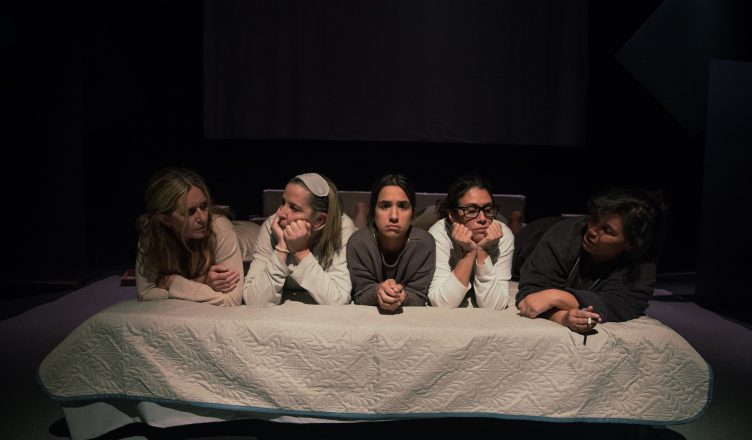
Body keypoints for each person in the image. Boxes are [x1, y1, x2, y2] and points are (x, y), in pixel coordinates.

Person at [515, 188, 666, 333]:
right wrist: (561, 316)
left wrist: (558, 297)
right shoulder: (563, 236)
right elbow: (532, 296)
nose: (592, 231)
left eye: (607, 230)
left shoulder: (642, 261)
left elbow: (625, 303)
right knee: (514, 239)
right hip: (533, 237)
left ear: (631, 243)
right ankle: (515, 223)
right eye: (594, 219)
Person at [243, 173, 356, 306]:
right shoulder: (272, 226)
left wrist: (300, 251)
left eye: (294, 208)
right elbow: (253, 301)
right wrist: (281, 247)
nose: (281, 213)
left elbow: (338, 299)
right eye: (283, 203)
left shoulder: (341, 228)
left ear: (319, 220)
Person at [135, 167, 243, 306]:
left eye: (204, 206)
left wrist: (172, 282)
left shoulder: (220, 227)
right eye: (190, 212)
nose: (203, 218)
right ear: (165, 220)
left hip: (252, 243)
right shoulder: (152, 234)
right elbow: (145, 294)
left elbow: (231, 301)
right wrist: (202, 282)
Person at [347, 174, 436, 311]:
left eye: (402, 206)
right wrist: (377, 292)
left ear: (413, 213)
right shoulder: (358, 243)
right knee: (358, 227)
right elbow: (360, 294)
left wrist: (403, 297)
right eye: (385, 206)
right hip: (366, 234)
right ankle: (361, 212)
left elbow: (419, 295)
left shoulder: (424, 244)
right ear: (374, 211)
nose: (394, 216)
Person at [427, 174, 514, 309]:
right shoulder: (439, 234)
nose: (482, 218)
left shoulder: (503, 234)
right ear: (453, 215)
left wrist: (482, 251)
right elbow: (442, 303)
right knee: (426, 214)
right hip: (435, 219)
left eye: (488, 210)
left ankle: (515, 221)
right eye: (472, 211)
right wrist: (469, 253)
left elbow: (495, 306)